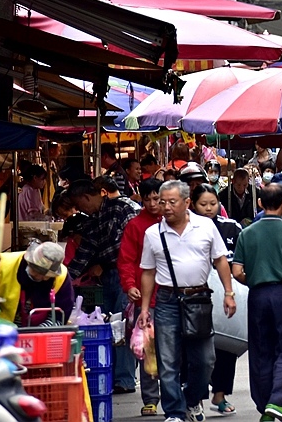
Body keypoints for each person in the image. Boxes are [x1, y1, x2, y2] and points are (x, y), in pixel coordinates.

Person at [137, 181, 237, 422]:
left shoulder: (205, 226)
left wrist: (228, 292)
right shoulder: (153, 233)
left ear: (186, 203)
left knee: (204, 359)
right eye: (163, 202)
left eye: (172, 202)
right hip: (167, 300)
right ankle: (174, 411)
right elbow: (148, 272)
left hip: (199, 298)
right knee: (168, 360)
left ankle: (191, 399)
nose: (166, 207)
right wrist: (144, 308)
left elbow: (220, 260)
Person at [232, 184, 282, 422]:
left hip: (257, 294)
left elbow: (236, 271)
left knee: (260, 350)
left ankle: (264, 403)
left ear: (260, 204)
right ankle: (276, 401)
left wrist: (254, 278)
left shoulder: (247, 233)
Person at [66, 178, 138, 394]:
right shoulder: (92, 221)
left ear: (87, 197)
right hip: (105, 277)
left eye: (80, 205)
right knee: (105, 326)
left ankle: (124, 379)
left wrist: (106, 263)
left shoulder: (121, 209)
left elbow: (131, 244)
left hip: (126, 275)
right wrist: (64, 278)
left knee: (122, 325)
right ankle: (108, 374)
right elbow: (84, 253)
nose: (80, 210)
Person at [191, 184, 243, 416]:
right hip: (196, 295)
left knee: (227, 345)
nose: (209, 208)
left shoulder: (232, 227)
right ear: (192, 205)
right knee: (197, 348)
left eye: (213, 203)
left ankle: (220, 394)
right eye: (203, 204)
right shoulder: (187, 229)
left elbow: (240, 260)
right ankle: (196, 397)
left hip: (226, 292)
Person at [117, 178, 163, 416]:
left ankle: (174, 395)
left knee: (172, 350)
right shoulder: (135, 226)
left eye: (157, 198)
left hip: (169, 296)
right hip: (145, 299)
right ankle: (151, 398)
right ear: (142, 200)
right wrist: (129, 285)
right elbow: (126, 259)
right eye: (148, 199)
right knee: (148, 351)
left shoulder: (173, 221)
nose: (153, 203)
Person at [0, 241, 74, 326]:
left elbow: (61, 314)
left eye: (46, 276)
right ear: (29, 263)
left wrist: (40, 332)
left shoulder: (62, 277)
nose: (41, 277)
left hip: (41, 329)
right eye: (36, 272)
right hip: (3, 328)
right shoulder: (3, 265)